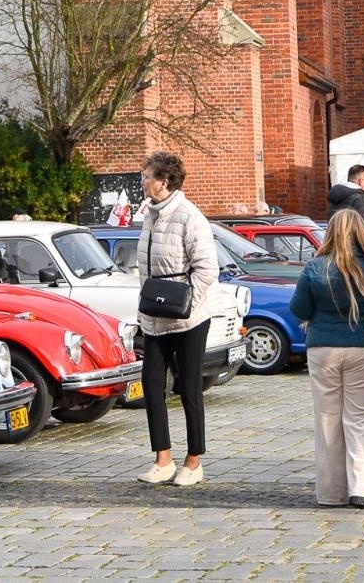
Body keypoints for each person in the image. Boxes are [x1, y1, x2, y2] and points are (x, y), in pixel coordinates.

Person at [289, 209, 364, 510]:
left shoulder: (315, 268)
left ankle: (330, 493)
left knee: (327, 420)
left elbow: (299, 309)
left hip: (322, 347)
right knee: (360, 419)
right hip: (360, 346)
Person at [136, 151, 218, 488]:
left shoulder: (189, 216)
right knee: (152, 386)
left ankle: (194, 460)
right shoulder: (149, 216)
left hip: (189, 319)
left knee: (188, 388)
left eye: (146, 176)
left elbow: (207, 269)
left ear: (163, 181)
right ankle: (163, 459)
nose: (142, 180)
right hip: (154, 317)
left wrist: (186, 304)